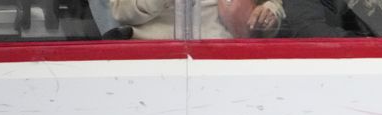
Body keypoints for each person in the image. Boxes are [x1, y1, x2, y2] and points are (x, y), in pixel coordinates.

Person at [109, 0, 285, 40]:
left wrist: (269, 14)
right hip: (151, 57)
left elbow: (272, 7)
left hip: (221, 60)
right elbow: (121, 13)